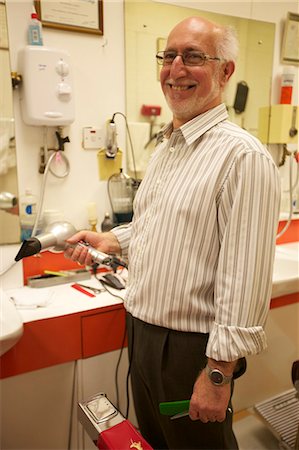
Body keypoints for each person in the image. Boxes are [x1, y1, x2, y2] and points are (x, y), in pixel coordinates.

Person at [65, 16, 281, 449]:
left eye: (194, 57)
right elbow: (159, 227)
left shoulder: (243, 157)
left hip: (191, 350)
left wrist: (218, 374)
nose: (175, 68)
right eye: (169, 56)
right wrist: (114, 240)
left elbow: (244, 279)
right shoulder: (168, 149)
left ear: (225, 72)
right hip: (143, 334)